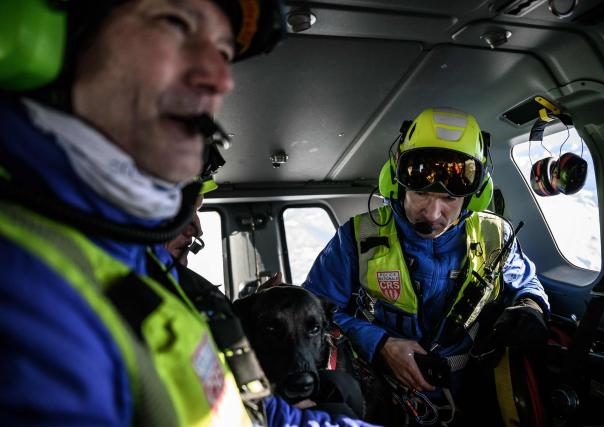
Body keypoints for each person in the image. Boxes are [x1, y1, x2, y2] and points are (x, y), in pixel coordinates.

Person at [0, 1, 376, 426]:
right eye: (175, 23)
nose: (220, 80)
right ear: (53, 42)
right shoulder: (23, 285)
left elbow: (253, 412)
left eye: (223, 52)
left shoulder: (143, 260)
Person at [303, 107, 550, 425]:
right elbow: (312, 313)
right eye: (421, 193)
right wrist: (380, 345)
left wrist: (529, 306)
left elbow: (526, 283)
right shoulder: (357, 237)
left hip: (475, 389)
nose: (433, 214)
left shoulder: (495, 234)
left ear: (474, 195)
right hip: (385, 395)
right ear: (397, 179)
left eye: (450, 199)